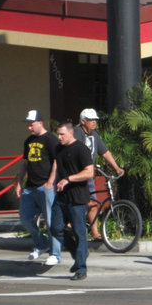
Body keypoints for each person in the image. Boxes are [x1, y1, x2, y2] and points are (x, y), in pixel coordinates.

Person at [48, 122, 94, 280]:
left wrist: (69, 179)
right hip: (61, 197)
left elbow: (89, 172)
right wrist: (52, 181)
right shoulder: (59, 149)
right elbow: (56, 166)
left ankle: (81, 268)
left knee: (79, 232)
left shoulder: (81, 149)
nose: (59, 137)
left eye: (62, 134)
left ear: (71, 133)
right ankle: (78, 252)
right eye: (58, 134)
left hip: (77, 198)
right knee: (55, 228)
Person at [73, 108, 124, 241]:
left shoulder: (94, 135)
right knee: (81, 202)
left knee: (93, 203)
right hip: (77, 174)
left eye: (95, 120)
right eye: (91, 120)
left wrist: (117, 168)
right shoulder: (77, 133)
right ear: (83, 122)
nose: (94, 122)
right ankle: (70, 222)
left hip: (88, 174)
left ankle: (95, 233)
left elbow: (105, 152)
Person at [15, 110, 59, 262]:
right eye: (28, 125)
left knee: (50, 221)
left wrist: (50, 181)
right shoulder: (28, 141)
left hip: (45, 186)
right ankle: (41, 244)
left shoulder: (50, 140)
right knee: (25, 217)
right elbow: (25, 162)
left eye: (31, 124)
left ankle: (55, 254)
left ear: (40, 123)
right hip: (30, 187)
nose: (29, 128)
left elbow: (57, 161)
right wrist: (20, 182)